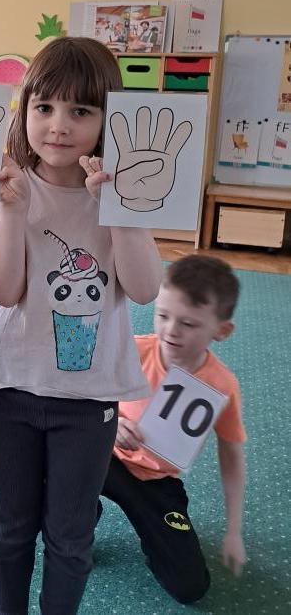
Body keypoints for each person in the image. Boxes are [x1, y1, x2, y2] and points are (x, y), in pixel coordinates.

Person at [0, 36, 164, 615]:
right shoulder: (12, 185)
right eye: (44, 107)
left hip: (89, 399)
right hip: (12, 388)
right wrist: (12, 213)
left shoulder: (124, 191)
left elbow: (145, 288)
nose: (58, 125)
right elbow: (4, 290)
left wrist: (120, 211)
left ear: (109, 119)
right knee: (10, 524)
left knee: (71, 534)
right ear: (25, 108)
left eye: (80, 110)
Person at [100, 254, 246, 604]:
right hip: (104, 457)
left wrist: (234, 530)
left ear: (222, 331)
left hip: (156, 481)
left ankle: (154, 539)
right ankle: (80, 513)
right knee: (50, 472)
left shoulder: (222, 386)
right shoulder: (134, 349)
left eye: (189, 324)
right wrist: (112, 423)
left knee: (190, 587)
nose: (170, 331)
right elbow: (85, 400)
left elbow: (232, 457)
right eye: (163, 315)